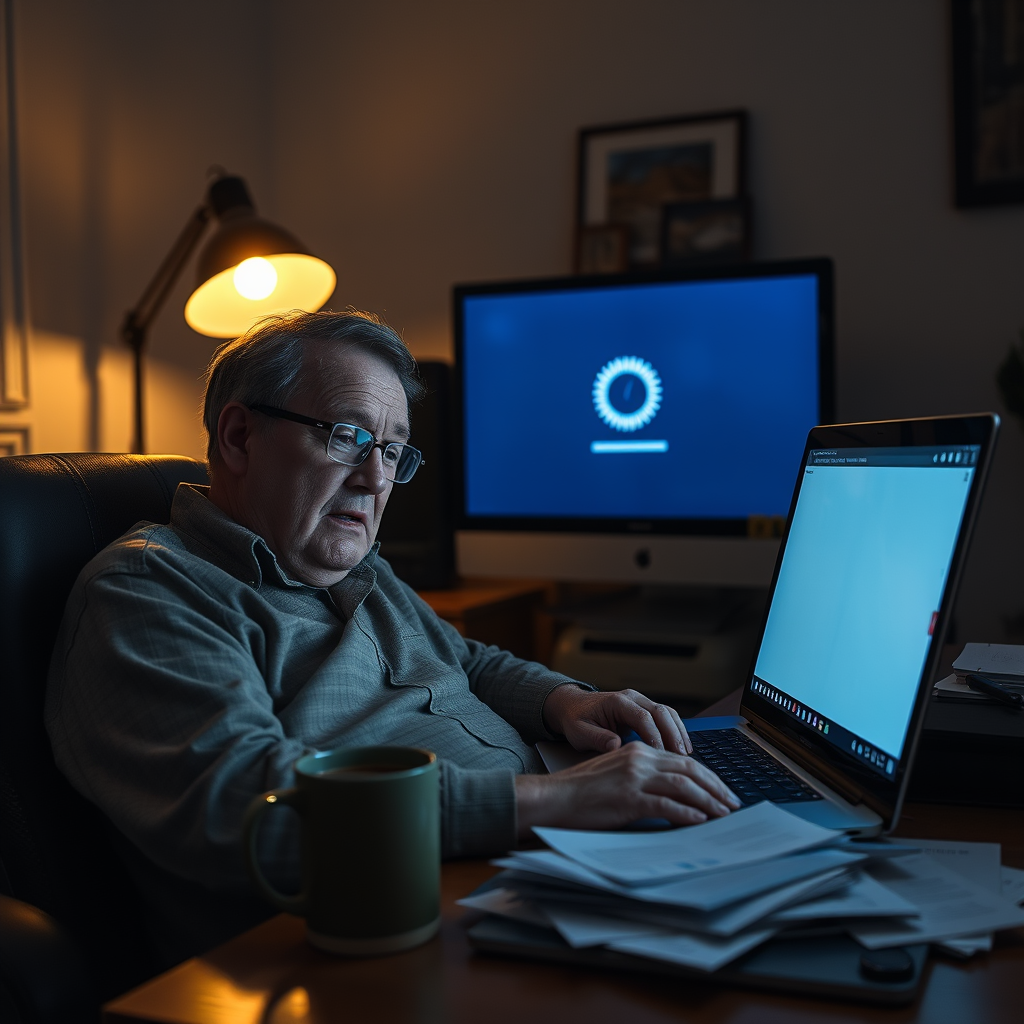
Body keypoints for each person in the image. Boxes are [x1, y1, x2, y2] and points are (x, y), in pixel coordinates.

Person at [45, 310, 738, 966]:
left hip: (542, 858)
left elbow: (463, 658)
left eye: (394, 451)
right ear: (238, 437)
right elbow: (251, 810)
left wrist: (563, 701)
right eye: (346, 435)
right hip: (393, 935)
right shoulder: (150, 591)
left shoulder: (346, 564)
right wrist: (558, 802)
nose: (377, 477)